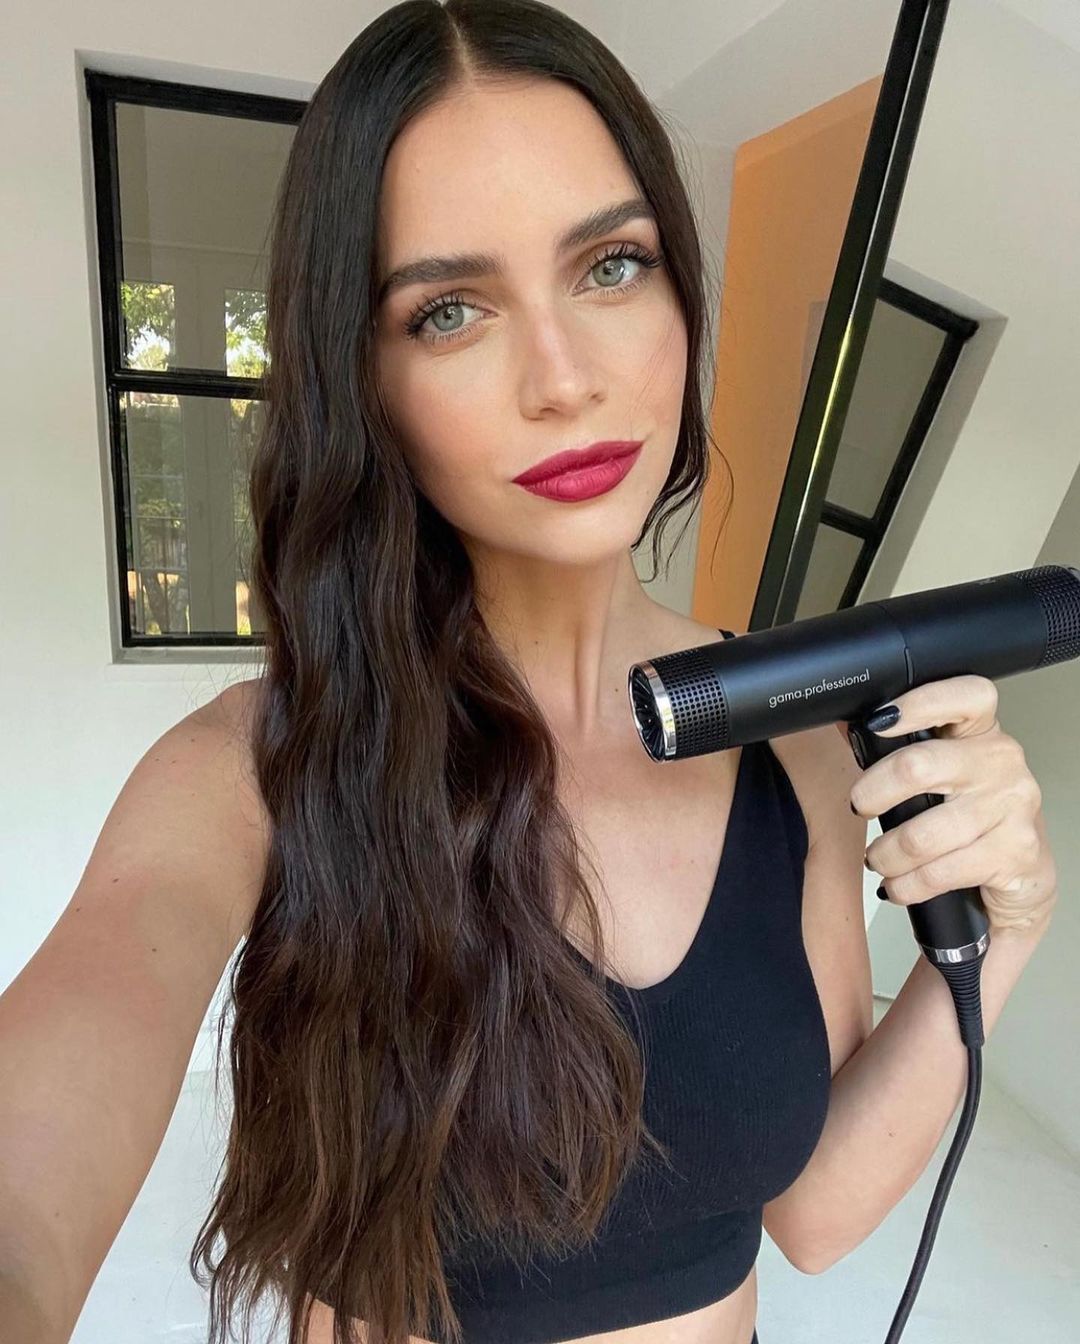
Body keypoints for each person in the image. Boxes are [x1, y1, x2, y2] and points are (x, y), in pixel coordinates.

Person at [0, 3, 873, 1343]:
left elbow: (812, 1215)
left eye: (613, 265)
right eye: (449, 311)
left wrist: (1005, 925)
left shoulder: (794, 737)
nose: (564, 380)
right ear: (362, 380)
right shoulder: (252, 773)